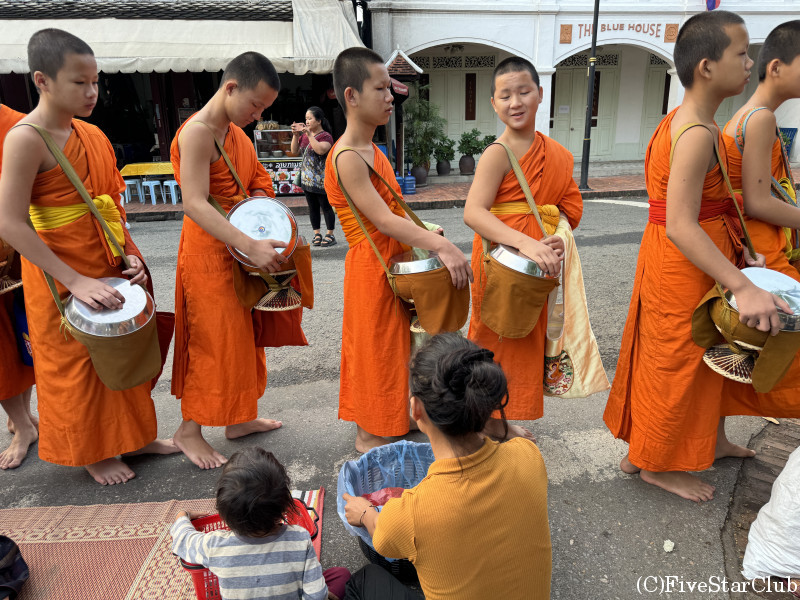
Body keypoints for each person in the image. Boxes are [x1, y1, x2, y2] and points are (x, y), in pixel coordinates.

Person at [603, 11, 790, 502]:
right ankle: (656, 463)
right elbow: (682, 223)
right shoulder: (695, 133)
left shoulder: (695, 122)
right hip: (682, 261)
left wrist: (742, 251)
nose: (751, 63)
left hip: (692, 253)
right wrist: (744, 284)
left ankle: (704, 440)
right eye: (742, 53)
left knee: (709, 356)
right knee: (678, 360)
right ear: (706, 67)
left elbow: (713, 200)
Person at [0, 29, 177, 484]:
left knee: (123, 350)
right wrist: (74, 281)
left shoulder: (92, 133)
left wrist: (128, 256)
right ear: (42, 80)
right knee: (78, 361)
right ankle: (93, 452)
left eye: (96, 81)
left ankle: (134, 437)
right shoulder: (26, 138)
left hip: (105, 262)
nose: (93, 92)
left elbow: (111, 206)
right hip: (58, 274)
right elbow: (11, 223)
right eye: (80, 82)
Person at [324, 47, 473, 453]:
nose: (391, 96)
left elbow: (396, 214)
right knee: (376, 348)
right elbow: (385, 221)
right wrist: (444, 246)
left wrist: (425, 238)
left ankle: (394, 416)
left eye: (391, 88)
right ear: (351, 95)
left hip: (395, 260)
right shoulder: (347, 157)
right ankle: (369, 429)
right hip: (371, 265)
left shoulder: (374, 150)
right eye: (381, 88)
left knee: (400, 345)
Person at [342, 334, 551, 600]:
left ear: (416, 408)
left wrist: (364, 512)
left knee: (364, 580)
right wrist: (498, 425)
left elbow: (380, 531)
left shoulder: (410, 514)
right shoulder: (528, 456)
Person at [170, 52, 286, 470]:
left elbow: (255, 179)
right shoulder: (198, 133)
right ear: (230, 87)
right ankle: (189, 430)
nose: (257, 116)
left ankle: (238, 418)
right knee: (211, 341)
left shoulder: (235, 132)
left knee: (242, 337)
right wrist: (249, 243)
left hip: (239, 246)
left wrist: (262, 212)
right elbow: (195, 204)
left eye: (263, 109)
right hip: (208, 253)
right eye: (254, 106)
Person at [463, 56, 583, 440]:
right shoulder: (497, 153)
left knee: (524, 340)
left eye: (524, 91)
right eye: (506, 95)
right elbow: (473, 213)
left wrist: (555, 234)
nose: (516, 102)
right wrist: (527, 242)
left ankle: (500, 419)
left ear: (540, 94)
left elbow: (570, 209)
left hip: (537, 267)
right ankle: (482, 421)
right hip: (500, 263)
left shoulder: (559, 154)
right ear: (494, 104)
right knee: (493, 341)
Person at [720, 20, 800, 418]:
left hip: (747, 242)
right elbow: (757, 202)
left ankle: (716, 439)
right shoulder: (762, 118)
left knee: (745, 345)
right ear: (777, 67)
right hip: (759, 246)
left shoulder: (746, 115)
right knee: (782, 337)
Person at [171, 446, 351, 600]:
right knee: (341, 575)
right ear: (284, 508)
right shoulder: (299, 539)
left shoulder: (214, 545)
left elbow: (182, 540)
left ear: (224, 514)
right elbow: (316, 596)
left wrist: (183, 515)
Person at [0, 102, 37, 470]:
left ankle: (22, 419)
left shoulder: (16, 126)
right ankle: (22, 423)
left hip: (14, 250)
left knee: (22, 338)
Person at [291, 106, 337, 247]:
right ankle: (317, 233)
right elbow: (294, 151)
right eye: (306, 118)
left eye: (310, 118)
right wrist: (295, 135)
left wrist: (310, 135)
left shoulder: (325, 136)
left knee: (326, 206)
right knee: (313, 207)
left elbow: (320, 150)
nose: (307, 121)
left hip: (322, 179)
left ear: (319, 120)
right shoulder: (304, 135)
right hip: (307, 179)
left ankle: (330, 234)